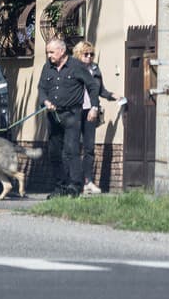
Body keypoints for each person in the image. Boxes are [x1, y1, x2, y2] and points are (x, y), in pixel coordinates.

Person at [37, 37, 101, 197]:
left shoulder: (76, 66)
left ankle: (75, 186)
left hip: (72, 114)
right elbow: (41, 88)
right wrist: (45, 101)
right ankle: (60, 186)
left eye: (51, 52)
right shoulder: (47, 67)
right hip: (53, 115)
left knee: (71, 150)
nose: (49, 55)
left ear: (62, 51)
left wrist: (94, 107)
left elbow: (92, 86)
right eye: (47, 52)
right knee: (54, 152)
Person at [72, 40, 126, 195]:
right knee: (73, 148)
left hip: (91, 111)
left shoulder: (95, 69)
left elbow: (100, 90)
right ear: (78, 54)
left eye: (91, 54)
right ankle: (74, 182)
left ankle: (88, 181)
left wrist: (112, 95)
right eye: (86, 54)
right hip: (75, 111)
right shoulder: (73, 69)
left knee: (89, 148)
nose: (89, 57)